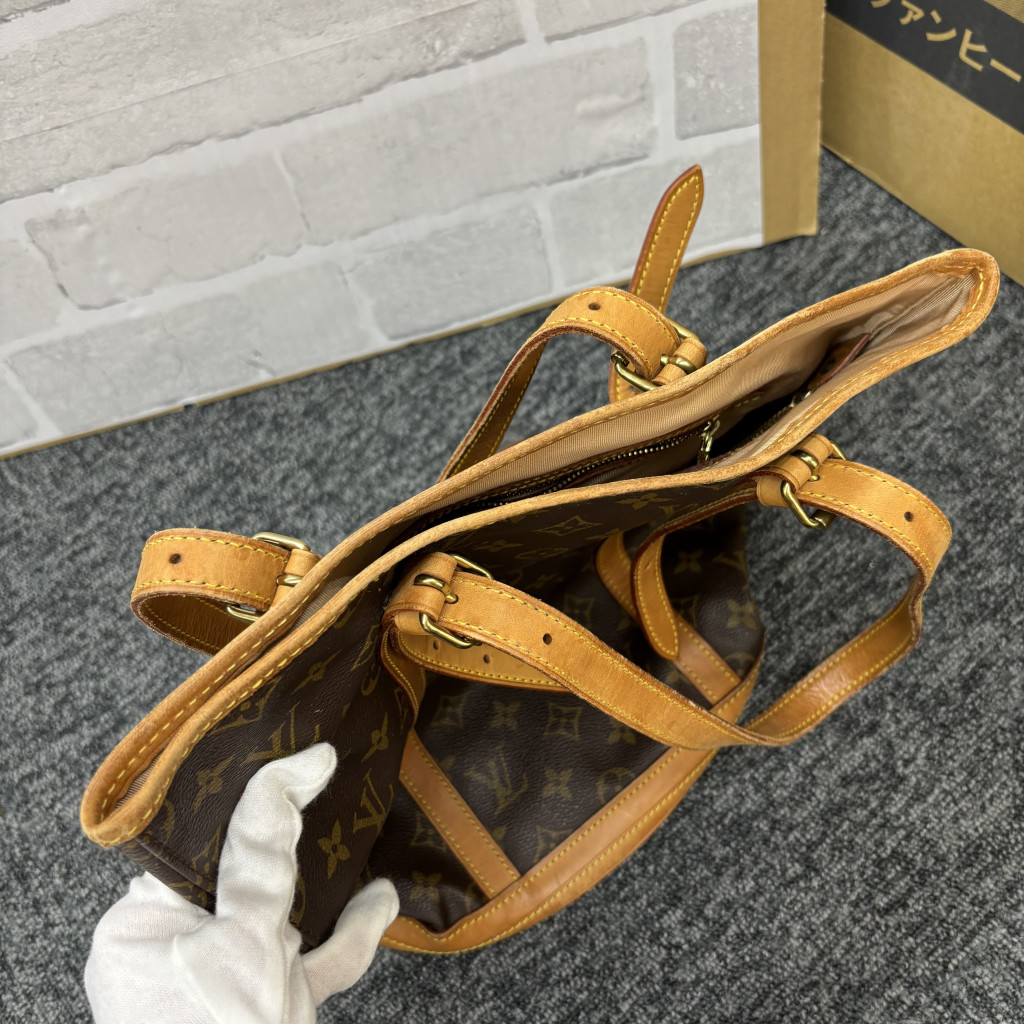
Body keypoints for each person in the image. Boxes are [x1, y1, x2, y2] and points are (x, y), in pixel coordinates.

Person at [84, 744, 398, 1023]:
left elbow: (256, 889)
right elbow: (322, 974)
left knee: (195, 855)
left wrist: (274, 790)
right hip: (116, 983)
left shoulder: (242, 999)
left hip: (141, 948)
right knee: (185, 862)